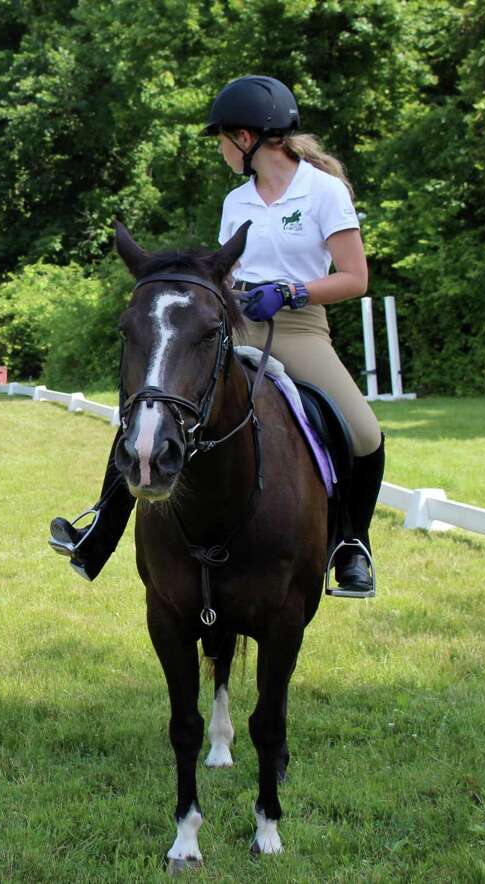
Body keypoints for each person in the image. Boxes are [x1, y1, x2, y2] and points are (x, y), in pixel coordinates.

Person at [48, 75, 384, 598]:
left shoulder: (324, 191)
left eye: (223, 140)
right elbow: (224, 270)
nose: (222, 151)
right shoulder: (237, 201)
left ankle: (351, 545)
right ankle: (100, 529)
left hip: (297, 325)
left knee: (363, 432)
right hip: (234, 319)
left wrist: (291, 292)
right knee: (158, 399)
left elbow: (354, 278)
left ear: (246, 138)